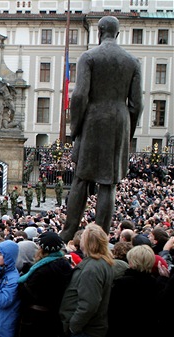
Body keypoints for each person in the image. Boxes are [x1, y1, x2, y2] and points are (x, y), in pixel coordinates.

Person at [61, 16, 143, 242]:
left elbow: (79, 96)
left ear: (99, 32)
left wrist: (75, 128)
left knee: (81, 178)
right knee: (109, 183)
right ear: (117, 34)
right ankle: (101, 237)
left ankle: (68, 232)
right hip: (119, 121)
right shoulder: (132, 61)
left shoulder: (89, 57)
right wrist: (128, 132)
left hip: (94, 119)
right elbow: (137, 104)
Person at [60, 224, 115, 337]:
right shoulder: (102, 262)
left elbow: (89, 304)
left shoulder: (92, 268)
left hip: (86, 330)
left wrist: (73, 326)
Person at [17, 232, 73, 337]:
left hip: (37, 318)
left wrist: (22, 283)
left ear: (42, 249)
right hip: (56, 315)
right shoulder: (65, 265)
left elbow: (26, 293)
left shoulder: (42, 270)